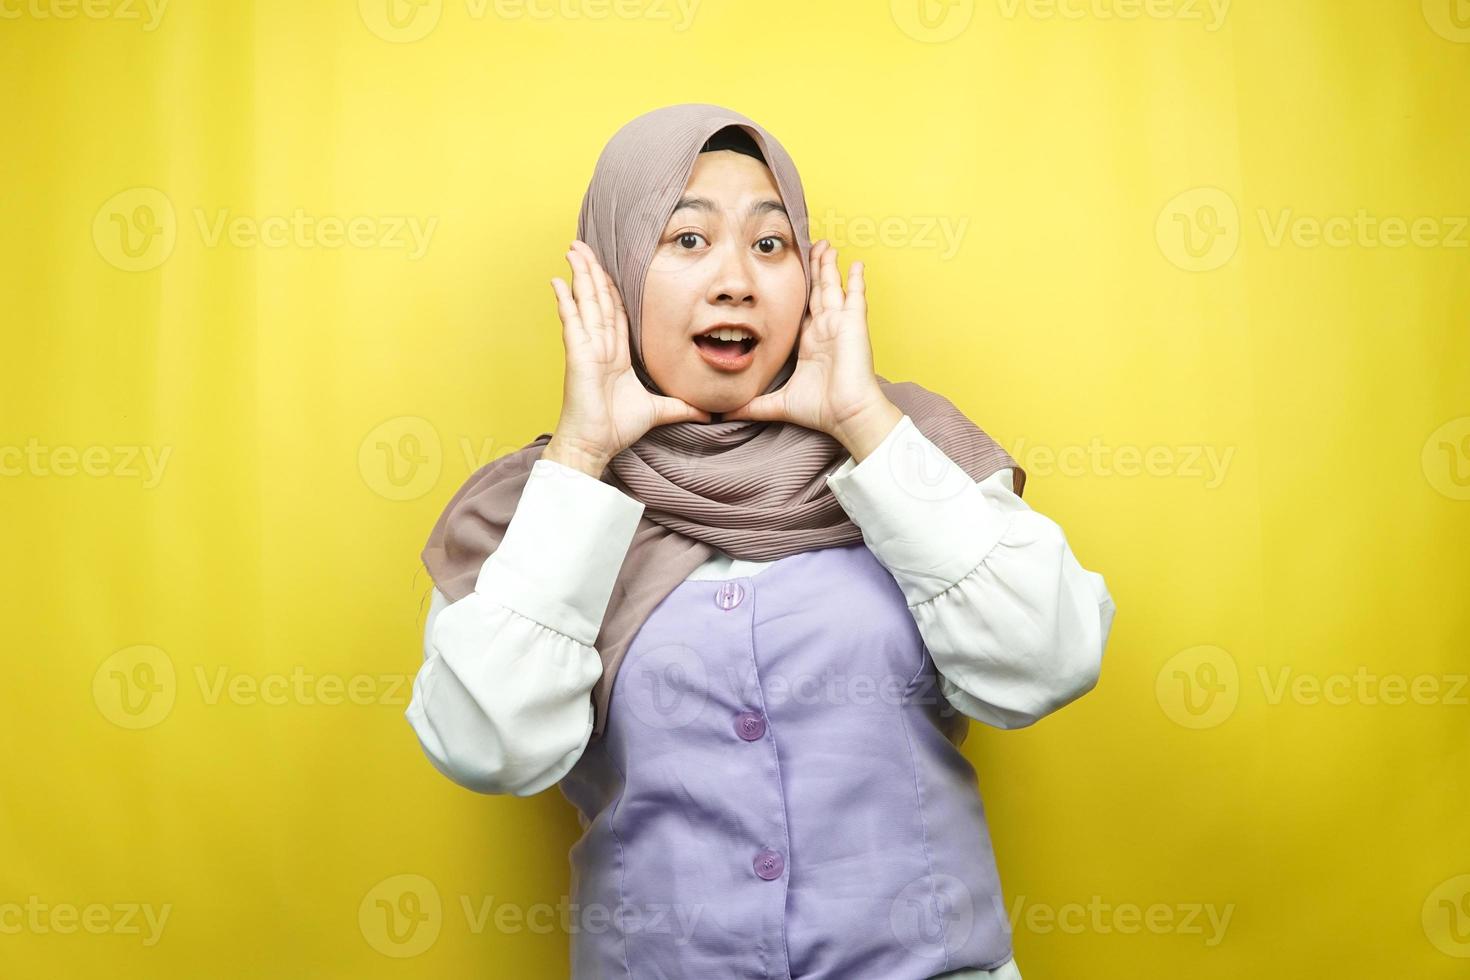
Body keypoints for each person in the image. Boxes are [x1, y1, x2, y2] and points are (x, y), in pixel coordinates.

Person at [407, 103, 1116, 980]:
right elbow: (492, 751)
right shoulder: (534, 507)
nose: (737, 280)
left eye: (770, 244)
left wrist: (864, 423)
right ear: (615, 272)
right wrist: (585, 455)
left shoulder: (909, 449)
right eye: (687, 240)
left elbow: (1050, 661)